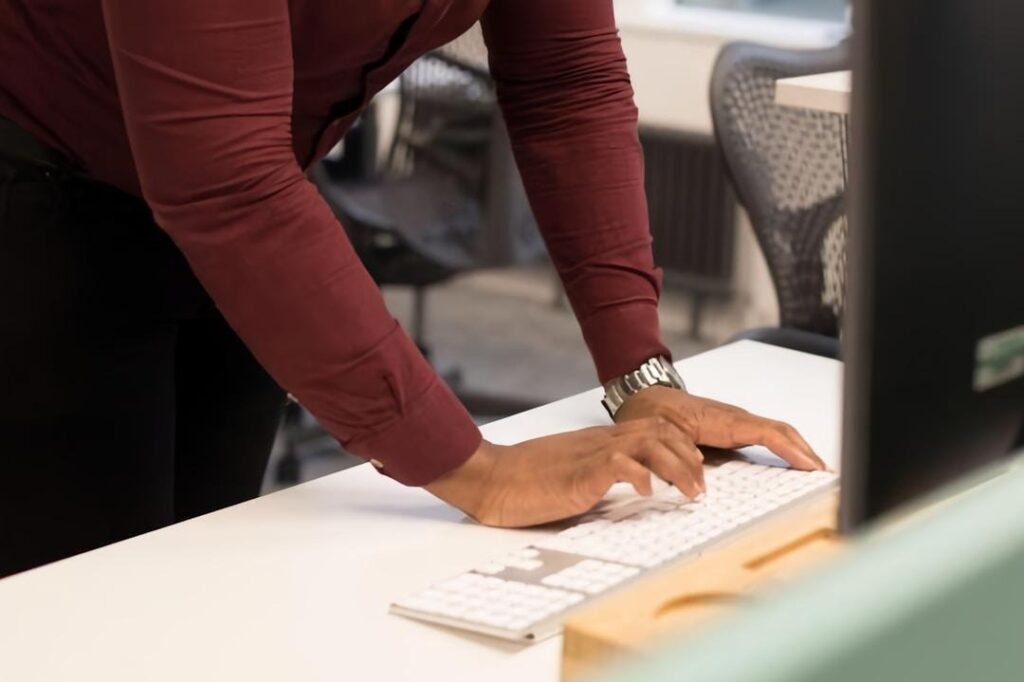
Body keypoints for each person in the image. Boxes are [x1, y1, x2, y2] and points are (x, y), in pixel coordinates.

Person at [0, 0, 824, 578]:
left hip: (245, 196)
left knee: (202, 567)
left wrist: (640, 377)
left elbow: (565, 83)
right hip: (40, 181)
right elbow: (225, 178)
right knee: (75, 595)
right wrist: (473, 468)